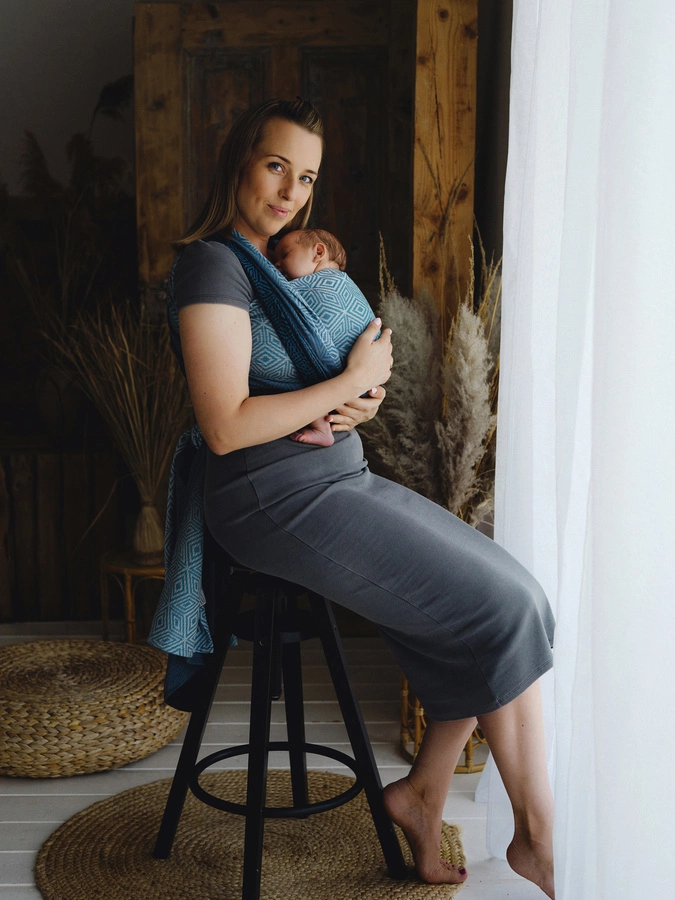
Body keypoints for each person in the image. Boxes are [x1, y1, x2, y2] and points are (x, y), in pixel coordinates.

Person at [157, 98, 556, 897]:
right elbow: (226, 426)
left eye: (305, 177)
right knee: (505, 610)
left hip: (337, 479)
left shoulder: (280, 261)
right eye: (276, 167)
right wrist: (349, 381)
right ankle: (539, 840)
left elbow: (314, 378)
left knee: (521, 602)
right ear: (238, 161)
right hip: (270, 499)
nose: (290, 192)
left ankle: (423, 794)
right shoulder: (212, 266)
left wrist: (361, 397)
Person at [272, 227, 376, 446]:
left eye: (285, 254)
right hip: (351, 384)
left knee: (312, 367)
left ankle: (321, 427)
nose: (276, 264)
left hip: (354, 374)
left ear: (318, 252)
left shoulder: (332, 284)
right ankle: (321, 426)